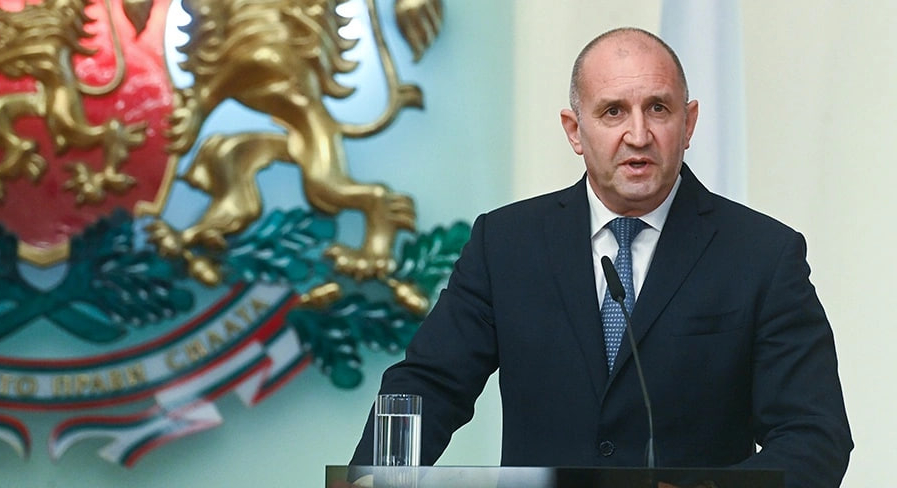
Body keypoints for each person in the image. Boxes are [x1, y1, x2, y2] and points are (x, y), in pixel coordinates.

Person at [350, 27, 853, 488]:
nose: (638, 135)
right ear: (574, 130)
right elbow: (430, 384)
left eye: (658, 108)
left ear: (689, 122)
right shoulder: (504, 244)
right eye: (613, 112)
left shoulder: (762, 254)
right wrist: (374, 476)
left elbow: (813, 436)